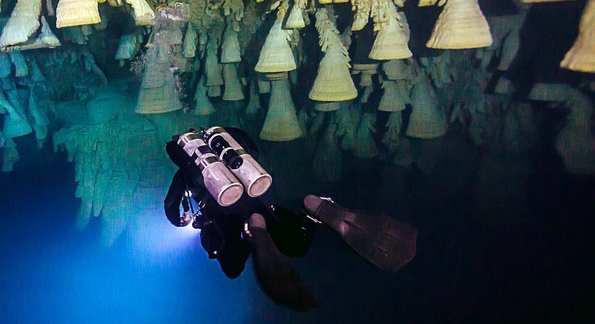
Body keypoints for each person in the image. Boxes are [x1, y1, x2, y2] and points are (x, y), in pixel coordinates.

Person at [164, 127, 417, 311]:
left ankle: (256, 231)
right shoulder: (228, 147)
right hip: (255, 199)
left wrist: (182, 221)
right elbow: (251, 149)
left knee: (232, 267)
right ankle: (314, 209)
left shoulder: (186, 174)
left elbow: (170, 208)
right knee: (294, 242)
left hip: (220, 219)